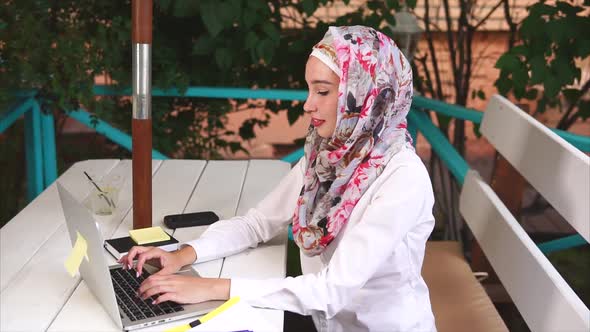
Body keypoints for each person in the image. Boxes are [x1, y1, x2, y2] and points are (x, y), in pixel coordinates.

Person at [120, 25, 436, 332]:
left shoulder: (403, 178)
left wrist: (209, 288)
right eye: (309, 89)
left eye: (323, 91)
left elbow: (330, 292)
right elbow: (258, 223)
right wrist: (181, 256)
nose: (307, 104)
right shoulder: (328, 157)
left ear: (366, 96)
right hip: (318, 321)